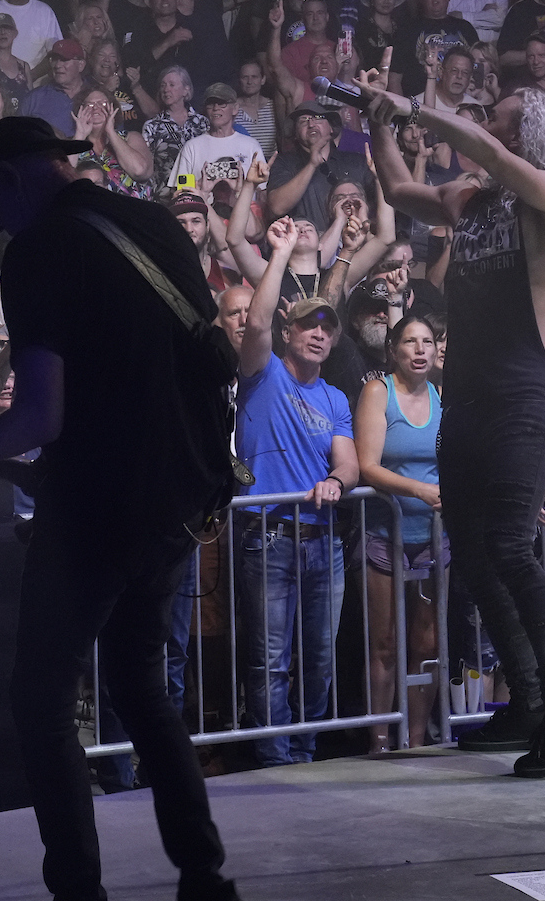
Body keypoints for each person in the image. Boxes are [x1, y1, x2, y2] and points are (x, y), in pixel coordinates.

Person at [0, 116, 241, 901]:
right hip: (182, 496)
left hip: (101, 508)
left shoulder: (39, 251)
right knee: (142, 683)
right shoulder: (149, 222)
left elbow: (43, 416)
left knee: (40, 699)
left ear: (13, 179)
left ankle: (78, 891)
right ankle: (205, 879)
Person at [360, 71, 545, 775]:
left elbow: (496, 160)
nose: (490, 131)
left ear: (532, 137)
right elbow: (402, 190)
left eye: (502, 123)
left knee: (507, 546)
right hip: (466, 396)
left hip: (520, 396)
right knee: (472, 552)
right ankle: (528, 702)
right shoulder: (469, 200)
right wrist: (379, 120)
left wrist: (416, 106)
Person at [233, 222, 358, 766]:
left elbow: (349, 463)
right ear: (289, 332)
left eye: (327, 329)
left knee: (319, 659)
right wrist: (280, 253)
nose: (318, 335)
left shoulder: (334, 397)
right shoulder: (263, 375)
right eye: (308, 326)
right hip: (270, 538)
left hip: (322, 541)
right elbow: (256, 319)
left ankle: (304, 754)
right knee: (270, 660)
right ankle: (274, 759)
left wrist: (337, 480)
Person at [353, 312, 444, 750]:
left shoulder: (442, 395)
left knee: (427, 644)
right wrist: (419, 489)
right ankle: (380, 738)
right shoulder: (377, 391)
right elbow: (367, 466)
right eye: (411, 341)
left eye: (427, 341)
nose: (421, 349)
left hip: (433, 534)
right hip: (384, 533)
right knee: (385, 643)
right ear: (394, 350)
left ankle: (416, 737)